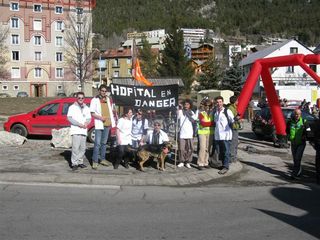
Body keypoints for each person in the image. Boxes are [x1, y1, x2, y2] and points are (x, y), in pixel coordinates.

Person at [90, 84, 116, 170]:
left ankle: (102, 159)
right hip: (99, 124)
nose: (104, 92)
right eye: (102, 91)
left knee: (104, 143)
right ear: (99, 91)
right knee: (97, 143)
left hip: (107, 124)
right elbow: (92, 113)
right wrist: (100, 118)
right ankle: (95, 161)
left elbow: (110, 110)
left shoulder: (108, 99)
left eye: (105, 91)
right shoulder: (95, 100)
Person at [67, 92, 91, 171]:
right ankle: (74, 163)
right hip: (76, 130)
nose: (80, 99)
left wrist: (86, 123)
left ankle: (80, 162)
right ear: (76, 98)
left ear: (84, 99)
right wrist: (78, 124)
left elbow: (89, 118)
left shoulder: (86, 108)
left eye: (82, 98)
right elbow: (69, 118)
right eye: (79, 98)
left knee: (83, 148)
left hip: (83, 130)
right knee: (75, 148)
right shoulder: (72, 107)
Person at [286, 108, 310, 179]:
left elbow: (308, 130)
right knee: (295, 159)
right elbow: (287, 130)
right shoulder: (290, 122)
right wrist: (288, 136)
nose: (297, 115)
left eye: (298, 114)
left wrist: (305, 136)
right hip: (293, 143)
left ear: (300, 115)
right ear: (294, 114)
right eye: (296, 114)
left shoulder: (304, 121)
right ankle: (298, 170)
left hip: (301, 143)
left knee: (297, 158)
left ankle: (295, 173)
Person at [213, 96, 234, 175]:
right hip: (218, 136)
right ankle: (223, 165)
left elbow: (232, 120)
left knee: (226, 151)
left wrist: (236, 119)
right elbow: (216, 123)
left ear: (223, 102)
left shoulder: (227, 111)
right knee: (221, 151)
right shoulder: (216, 112)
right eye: (217, 102)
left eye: (220, 102)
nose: (219, 103)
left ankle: (226, 167)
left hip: (226, 135)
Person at [177, 99, 197, 169]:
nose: (186, 106)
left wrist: (188, 114)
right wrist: (178, 109)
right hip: (182, 133)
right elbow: (177, 118)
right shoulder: (180, 111)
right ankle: (181, 161)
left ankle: (188, 161)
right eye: (185, 104)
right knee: (181, 148)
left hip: (189, 133)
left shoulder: (192, 112)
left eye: (188, 104)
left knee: (190, 148)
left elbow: (194, 120)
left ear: (190, 105)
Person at [197, 98, 214, 170]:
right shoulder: (201, 113)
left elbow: (214, 122)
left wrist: (210, 124)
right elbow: (203, 123)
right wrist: (211, 123)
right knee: (202, 148)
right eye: (206, 105)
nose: (207, 107)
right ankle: (200, 163)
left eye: (209, 105)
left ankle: (206, 162)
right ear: (204, 106)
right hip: (202, 133)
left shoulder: (212, 113)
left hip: (210, 133)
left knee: (208, 149)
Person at [228, 96, 242, 163]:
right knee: (233, 143)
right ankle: (232, 158)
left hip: (235, 127)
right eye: (237, 100)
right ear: (235, 101)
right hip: (233, 127)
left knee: (235, 143)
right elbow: (232, 118)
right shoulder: (231, 108)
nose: (238, 102)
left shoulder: (234, 108)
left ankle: (234, 157)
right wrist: (237, 118)